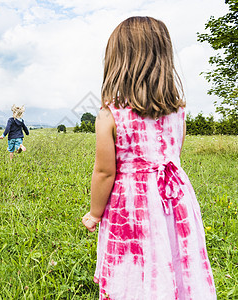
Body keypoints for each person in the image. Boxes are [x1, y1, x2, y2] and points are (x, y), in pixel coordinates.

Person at [82, 17, 216, 299]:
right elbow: (172, 156)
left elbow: (105, 172)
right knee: (176, 253)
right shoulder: (178, 111)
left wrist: (95, 213)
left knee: (134, 266)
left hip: (131, 204)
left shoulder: (110, 115)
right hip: (175, 199)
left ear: (117, 61)